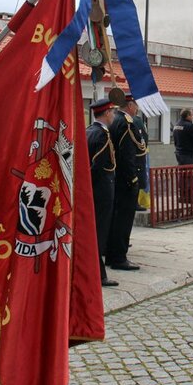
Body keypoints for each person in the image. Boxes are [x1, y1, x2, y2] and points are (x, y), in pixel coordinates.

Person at [105, 93, 145, 271]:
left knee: (114, 218)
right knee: (124, 220)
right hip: (125, 179)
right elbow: (127, 154)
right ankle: (119, 257)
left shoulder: (113, 120)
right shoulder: (126, 123)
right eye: (136, 105)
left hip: (114, 178)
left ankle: (111, 253)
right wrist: (133, 179)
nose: (137, 109)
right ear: (130, 105)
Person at [86, 98, 119, 287]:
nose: (113, 115)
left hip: (94, 191)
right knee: (99, 233)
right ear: (106, 113)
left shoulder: (88, 131)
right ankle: (99, 275)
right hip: (102, 192)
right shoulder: (102, 136)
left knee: (96, 232)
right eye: (112, 112)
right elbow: (98, 167)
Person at [173, 108, 193, 203]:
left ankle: (182, 196)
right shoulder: (190, 127)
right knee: (190, 177)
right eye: (192, 115)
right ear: (188, 116)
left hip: (179, 154)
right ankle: (190, 198)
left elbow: (175, 141)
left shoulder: (176, 125)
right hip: (189, 155)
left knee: (182, 176)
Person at [132, 113, 149, 211]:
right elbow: (143, 137)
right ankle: (135, 203)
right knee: (136, 180)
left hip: (135, 155)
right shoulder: (136, 120)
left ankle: (135, 202)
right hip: (137, 156)